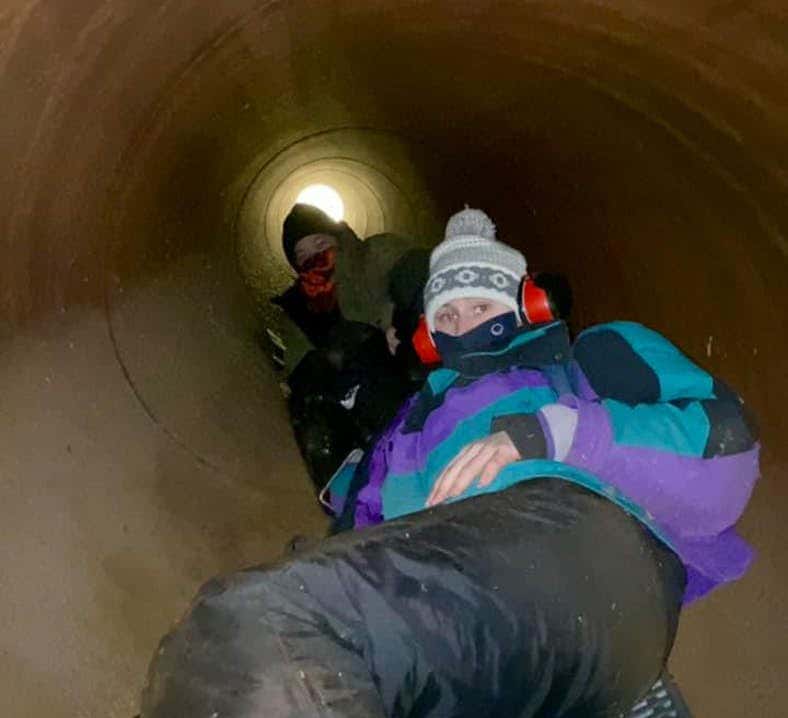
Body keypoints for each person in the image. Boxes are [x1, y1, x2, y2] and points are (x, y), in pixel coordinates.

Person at [338, 207, 759, 605]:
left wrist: (554, 434)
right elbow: (360, 525)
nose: (461, 328)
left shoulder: (596, 362)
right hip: (426, 605)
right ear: (427, 336)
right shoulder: (412, 420)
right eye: (445, 317)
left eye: (480, 308)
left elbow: (726, 449)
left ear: (529, 306)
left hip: (564, 588)